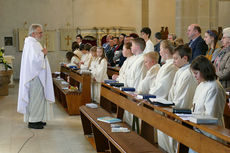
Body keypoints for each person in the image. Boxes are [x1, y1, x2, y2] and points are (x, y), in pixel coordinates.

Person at [159, 45, 198, 153]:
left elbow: (183, 99)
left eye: (176, 58)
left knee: (173, 143)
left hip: (181, 114)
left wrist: (173, 112)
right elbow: (173, 92)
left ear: (185, 58)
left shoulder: (188, 74)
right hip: (174, 109)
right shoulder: (180, 71)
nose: (173, 61)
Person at [18, 24, 55, 129]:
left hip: (37, 76)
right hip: (35, 76)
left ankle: (38, 118)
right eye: (40, 32)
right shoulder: (32, 44)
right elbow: (34, 61)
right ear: (33, 33)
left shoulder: (32, 43)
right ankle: (33, 121)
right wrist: (43, 53)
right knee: (36, 99)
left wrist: (43, 54)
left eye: (41, 32)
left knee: (39, 98)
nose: (42, 34)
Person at [189, 55, 226, 153]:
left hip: (209, 132)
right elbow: (195, 106)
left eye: (196, 73)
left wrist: (192, 117)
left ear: (204, 71)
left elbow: (211, 115)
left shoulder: (214, 87)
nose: (195, 76)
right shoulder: (202, 84)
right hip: (198, 129)